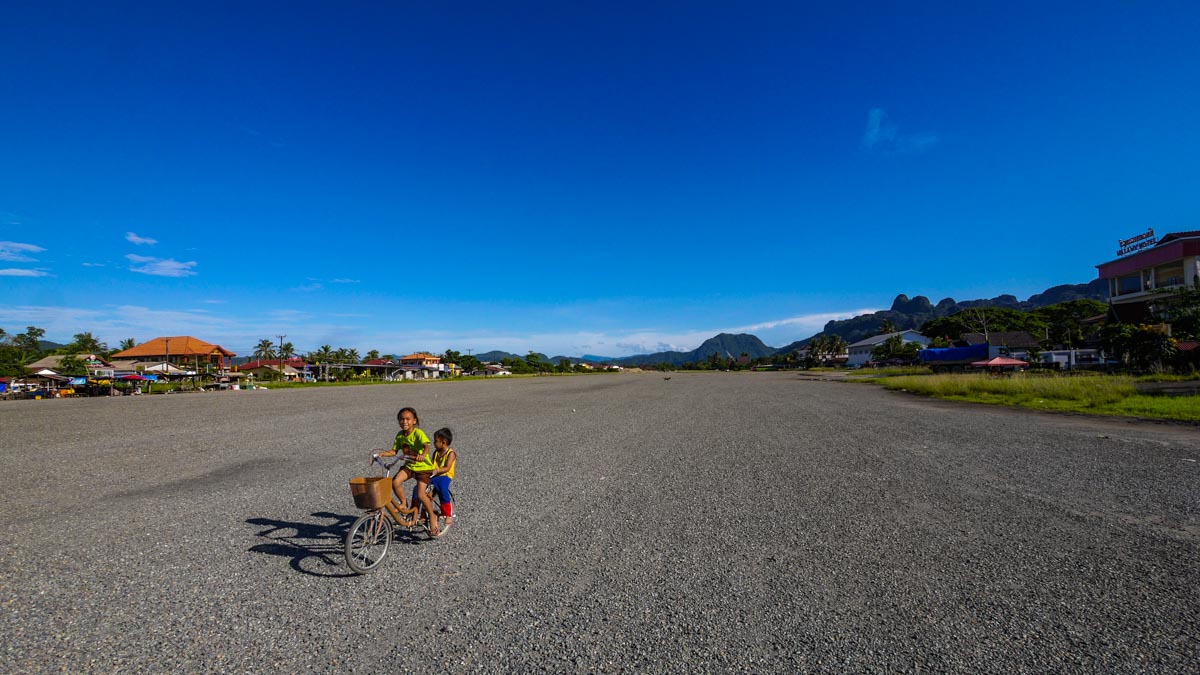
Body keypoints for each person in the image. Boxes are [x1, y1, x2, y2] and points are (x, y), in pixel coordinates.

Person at [372, 406, 439, 535]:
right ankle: (403, 502)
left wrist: (423, 455)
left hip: (423, 468)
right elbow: (394, 451)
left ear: (414, 421)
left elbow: (427, 445)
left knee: (421, 494)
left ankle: (432, 517)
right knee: (395, 482)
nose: (405, 422)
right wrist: (381, 454)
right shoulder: (400, 435)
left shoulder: (418, 433)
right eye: (402, 419)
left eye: (408, 419)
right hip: (410, 466)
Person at [415, 427, 456, 535]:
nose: (434, 443)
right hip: (434, 475)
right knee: (423, 491)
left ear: (444, 442)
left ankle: (448, 514)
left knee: (442, 489)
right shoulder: (436, 453)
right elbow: (431, 465)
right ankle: (424, 513)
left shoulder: (451, 454)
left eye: (436, 441)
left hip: (445, 475)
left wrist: (437, 470)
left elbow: (447, 468)